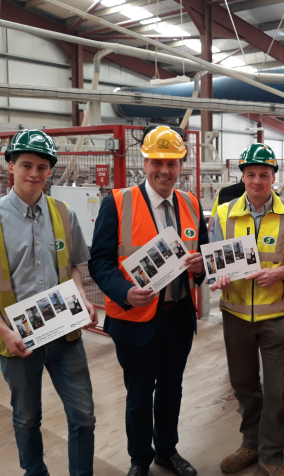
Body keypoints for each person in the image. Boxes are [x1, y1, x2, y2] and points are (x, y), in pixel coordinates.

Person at [0, 129, 98, 476]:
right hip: (18, 342)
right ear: (11, 166)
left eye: (42, 166)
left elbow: (72, 268)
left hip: (66, 338)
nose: (34, 173)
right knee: (26, 419)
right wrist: (4, 331)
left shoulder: (63, 213)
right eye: (26, 165)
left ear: (50, 171)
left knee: (83, 417)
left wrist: (82, 298)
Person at [89, 126, 207, 476]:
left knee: (172, 390)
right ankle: (139, 460)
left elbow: (199, 256)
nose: (165, 170)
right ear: (145, 162)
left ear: (181, 164)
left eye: (172, 163)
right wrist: (124, 292)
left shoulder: (191, 203)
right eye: (158, 161)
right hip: (135, 319)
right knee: (139, 395)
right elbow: (99, 261)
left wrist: (201, 267)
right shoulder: (118, 201)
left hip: (177, 316)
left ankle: (166, 451)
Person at [209, 143, 284, 476]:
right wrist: (217, 277)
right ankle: (250, 445)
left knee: (277, 391)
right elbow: (214, 261)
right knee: (245, 387)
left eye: (263, 175)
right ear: (242, 176)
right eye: (250, 174)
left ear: (274, 177)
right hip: (235, 316)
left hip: (276, 318)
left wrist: (280, 272)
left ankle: (272, 456)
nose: (256, 181)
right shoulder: (223, 213)